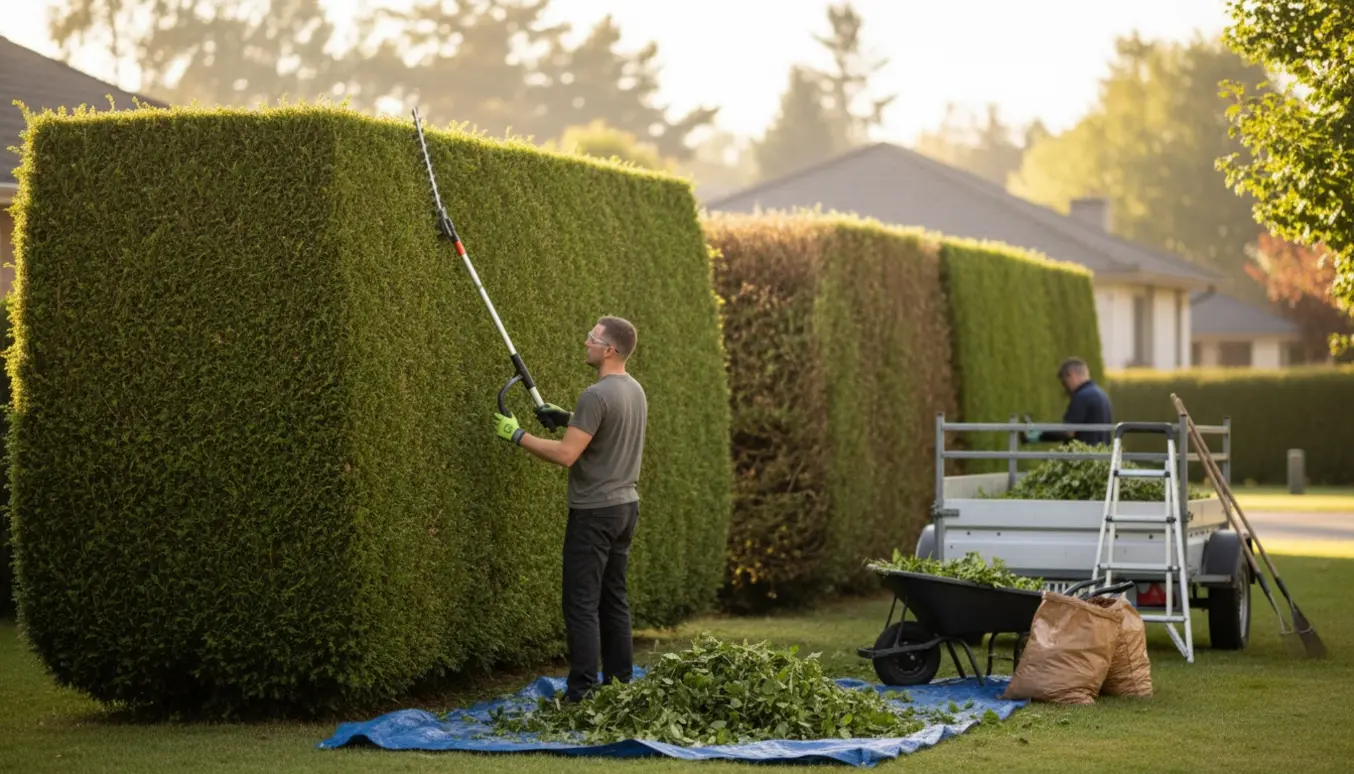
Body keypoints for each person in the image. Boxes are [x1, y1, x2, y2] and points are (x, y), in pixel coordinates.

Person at [491, 315, 648, 703]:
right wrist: (565, 419)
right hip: (625, 508)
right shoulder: (634, 390)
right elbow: (602, 433)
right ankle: (619, 688)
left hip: (594, 512)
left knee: (581, 603)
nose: (586, 342)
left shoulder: (595, 395)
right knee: (613, 599)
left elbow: (566, 454)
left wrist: (517, 435)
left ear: (609, 350)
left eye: (592, 338)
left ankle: (581, 694)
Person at [1024, 357, 1113, 446]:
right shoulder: (1102, 395)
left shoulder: (1082, 396)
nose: (1065, 388)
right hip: (1101, 456)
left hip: (1083, 457)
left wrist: (1035, 435)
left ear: (1071, 375)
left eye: (1064, 382)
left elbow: (1067, 431)